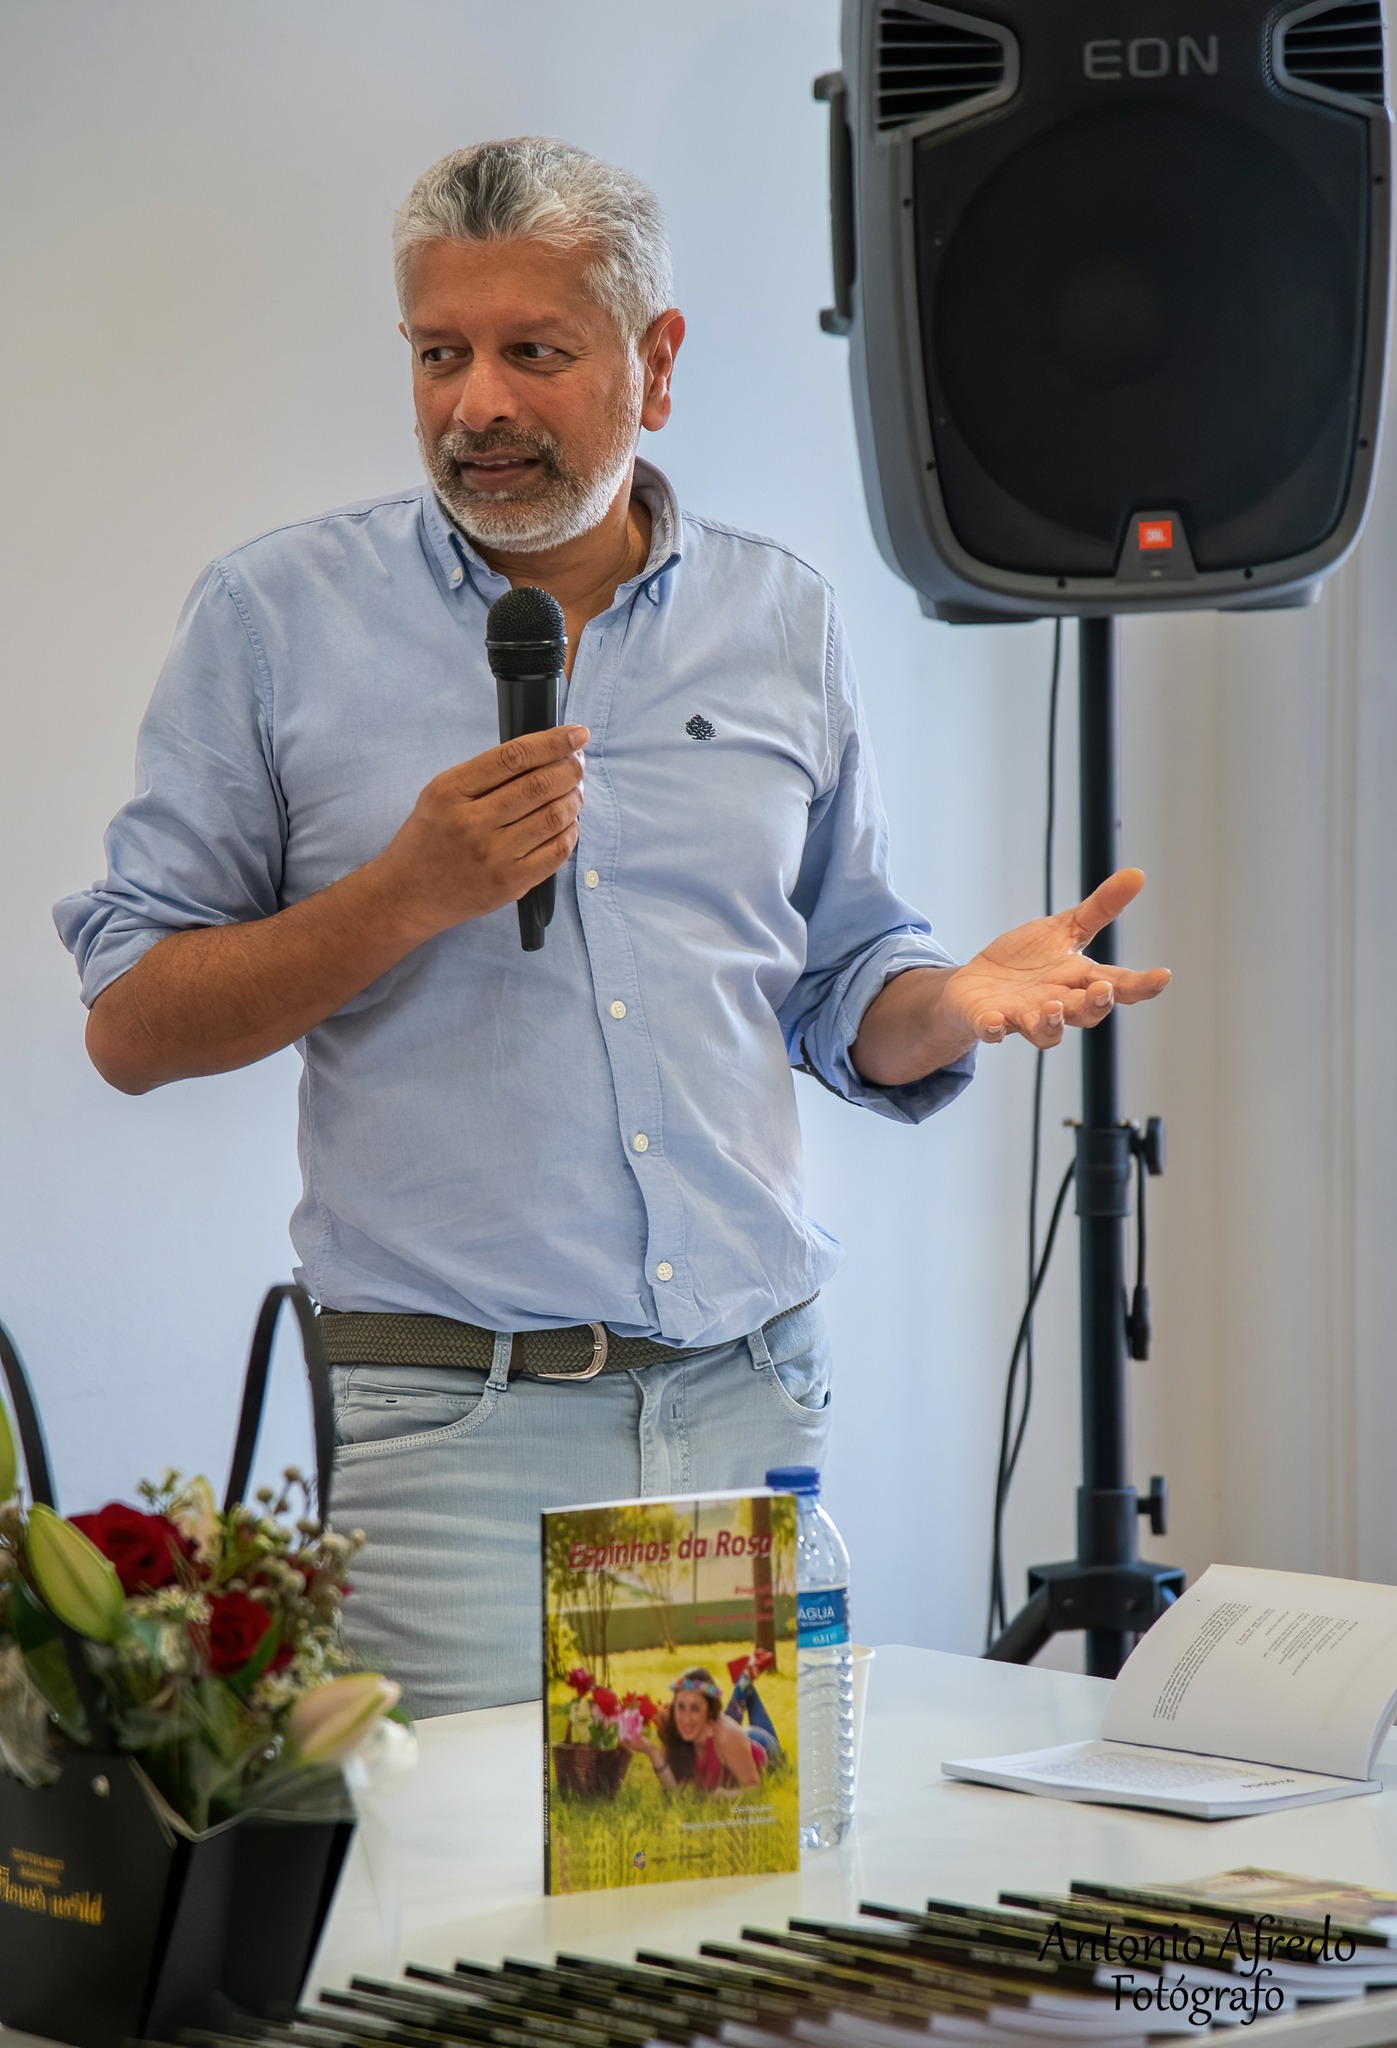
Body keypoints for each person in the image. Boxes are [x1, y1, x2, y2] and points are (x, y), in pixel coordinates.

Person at [54, 139, 1169, 1718]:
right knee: (459, 1875)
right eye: (438, 353)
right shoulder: (272, 621)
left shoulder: (779, 620)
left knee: (714, 1872)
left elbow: (839, 980)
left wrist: (946, 1000)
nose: (476, 406)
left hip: (740, 1406)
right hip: (448, 1434)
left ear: (656, 359)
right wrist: (404, 893)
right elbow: (133, 1025)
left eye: (533, 351)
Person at [625, 1669, 766, 1794]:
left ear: (709, 1710)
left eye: (695, 1708)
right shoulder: (674, 1729)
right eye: (681, 1707)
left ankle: (746, 1680)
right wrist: (651, 1751)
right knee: (733, 1711)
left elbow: (754, 1787)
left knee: (742, 1696)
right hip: (717, 1731)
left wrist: (727, 1796)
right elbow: (674, 1791)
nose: (685, 1719)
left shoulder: (727, 1735)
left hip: (760, 1742)